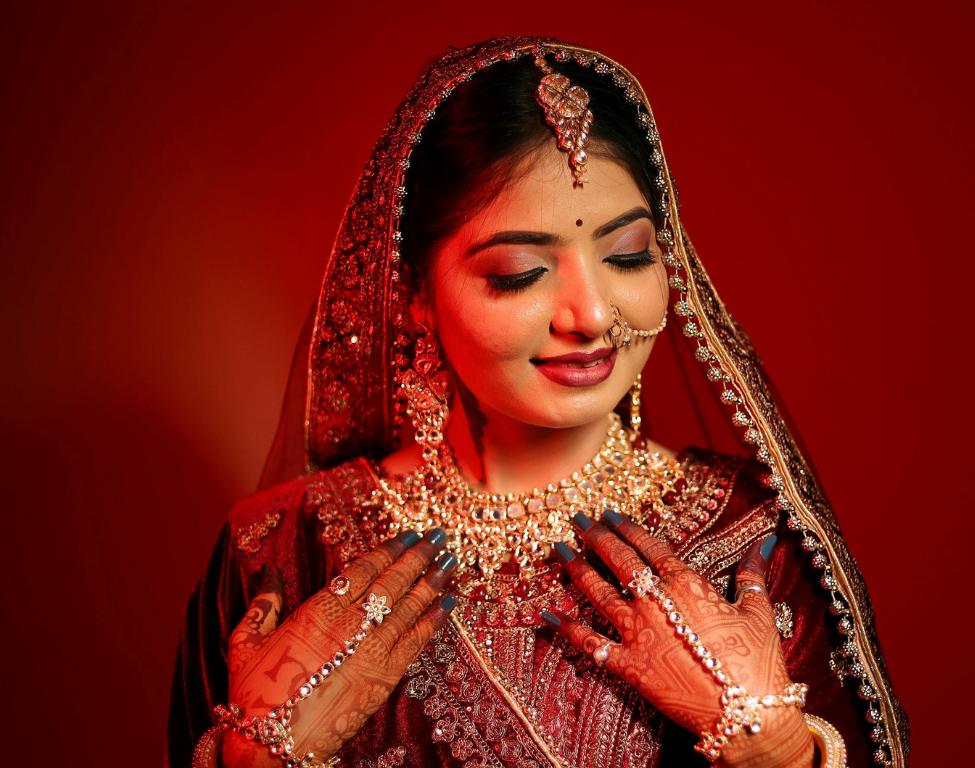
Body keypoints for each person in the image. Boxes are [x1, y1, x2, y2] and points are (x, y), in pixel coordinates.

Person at [169, 37, 908, 768]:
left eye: (628, 256)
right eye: (520, 273)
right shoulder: (278, 549)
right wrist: (258, 759)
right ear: (416, 296)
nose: (589, 314)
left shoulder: (748, 537)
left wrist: (779, 753)